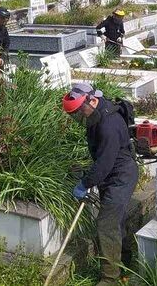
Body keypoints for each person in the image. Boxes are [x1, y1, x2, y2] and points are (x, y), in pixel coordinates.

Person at [61, 84, 138, 286]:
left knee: (106, 223)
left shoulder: (108, 124)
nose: (80, 117)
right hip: (112, 173)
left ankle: (110, 279)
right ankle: (126, 260)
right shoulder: (96, 113)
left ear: (91, 100)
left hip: (121, 176)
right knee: (115, 218)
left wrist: (85, 183)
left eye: (80, 112)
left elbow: (105, 163)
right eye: (75, 114)